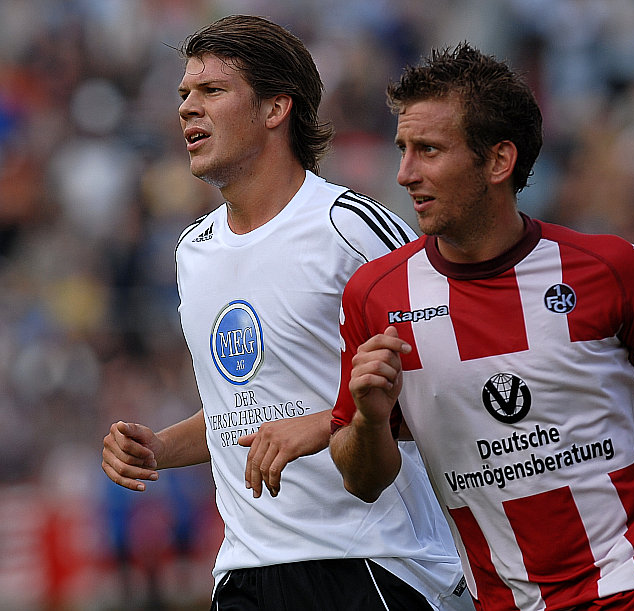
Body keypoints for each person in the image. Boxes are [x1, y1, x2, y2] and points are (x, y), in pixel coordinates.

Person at [330, 43, 634, 611]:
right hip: (503, 600)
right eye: (403, 150)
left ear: (498, 161)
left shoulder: (606, 268)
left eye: (429, 150)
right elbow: (361, 479)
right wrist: (369, 418)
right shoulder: (375, 296)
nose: (405, 174)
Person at [101, 15, 471, 611]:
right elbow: (246, 411)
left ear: (276, 108)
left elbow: (451, 375)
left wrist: (325, 425)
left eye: (212, 91)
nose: (187, 108)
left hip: (369, 562)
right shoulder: (193, 251)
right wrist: (158, 449)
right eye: (185, 93)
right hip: (245, 571)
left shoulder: (350, 228)